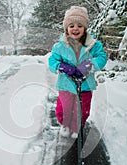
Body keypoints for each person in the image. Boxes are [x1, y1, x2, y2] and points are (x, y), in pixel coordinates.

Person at [48, 6, 107, 138]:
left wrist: (89, 65)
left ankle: (76, 126)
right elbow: (52, 61)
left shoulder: (93, 44)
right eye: (72, 25)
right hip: (66, 85)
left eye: (80, 25)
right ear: (66, 28)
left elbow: (102, 57)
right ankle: (65, 124)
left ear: (85, 27)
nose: (75, 28)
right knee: (64, 108)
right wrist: (60, 66)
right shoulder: (60, 46)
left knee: (83, 110)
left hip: (85, 84)